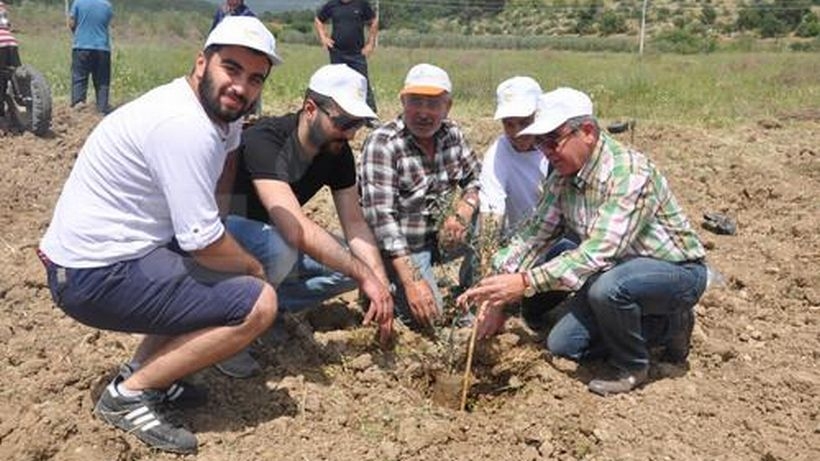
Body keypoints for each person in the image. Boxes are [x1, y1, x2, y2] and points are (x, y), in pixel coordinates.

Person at [38, 17, 282, 453]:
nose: (241, 87)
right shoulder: (182, 125)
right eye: (232, 68)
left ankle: (144, 372)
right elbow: (203, 241)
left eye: (255, 79)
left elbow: (221, 185)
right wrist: (252, 269)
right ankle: (128, 396)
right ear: (202, 62)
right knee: (259, 302)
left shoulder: (218, 115)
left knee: (221, 271)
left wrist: (225, 251)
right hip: (92, 276)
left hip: (104, 259)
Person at [458, 87, 708, 396]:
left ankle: (640, 356)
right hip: (615, 270)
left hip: (673, 273)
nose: (544, 151)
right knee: (564, 345)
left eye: (552, 140)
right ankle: (642, 321)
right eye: (540, 142)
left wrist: (523, 282)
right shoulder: (562, 177)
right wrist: (495, 294)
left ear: (587, 132)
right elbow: (533, 236)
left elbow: (598, 253)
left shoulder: (629, 173)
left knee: (609, 289)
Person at [216, 63, 394, 378]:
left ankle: (270, 310)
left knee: (351, 269)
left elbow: (354, 223)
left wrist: (377, 283)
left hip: (274, 241)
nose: (351, 133)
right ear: (311, 108)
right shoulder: (265, 140)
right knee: (282, 245)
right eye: (344, 121)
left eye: (359, 124)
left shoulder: (336, 151)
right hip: (226, 238)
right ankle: (228, 329)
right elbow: (295, 228)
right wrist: (365, 273)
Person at [360, 63, 481, 329]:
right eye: (415, 102)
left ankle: (472, 298)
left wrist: (464, 210)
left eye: (433, 104)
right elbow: (382, 221)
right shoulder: (384, 142)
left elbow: (477, 180)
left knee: (487, 220)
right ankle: (386, 282)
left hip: (439, 238)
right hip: (402, 248)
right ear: (403, 101)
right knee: (431, 318)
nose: (424, 113)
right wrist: (413, 282)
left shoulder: (453, 135)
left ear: (447, 107)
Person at [314, 0, 378, 113]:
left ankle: (370, 115)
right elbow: (318, 20)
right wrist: (323, 38)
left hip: (357, 53)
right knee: (338, 82)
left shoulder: (361, 4)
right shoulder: (332, 4)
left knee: (362, 82)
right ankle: (338, 112)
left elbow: (374, 21)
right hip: (337, 52)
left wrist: (370, 43)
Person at [68, 0, 113, 114]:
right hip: (102, 48)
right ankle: (102, 108)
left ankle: (79, 105)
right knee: (102, 81)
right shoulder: (107, 5)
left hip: (81, 46)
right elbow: (106, 23)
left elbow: (72, 23)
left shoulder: (78, 3)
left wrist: (79, 33)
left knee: (79, 77)